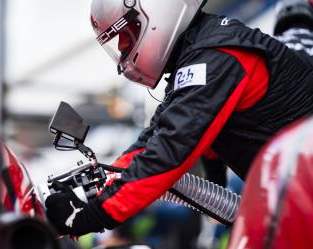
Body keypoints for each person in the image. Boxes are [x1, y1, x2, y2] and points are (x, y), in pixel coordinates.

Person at [45, 0, 313, 237]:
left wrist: (93, 215)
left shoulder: (217, 54)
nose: (124, 49)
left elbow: (168, 150)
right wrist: (96, 185)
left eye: (127, 35)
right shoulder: (203, 50)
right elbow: (153, 140)